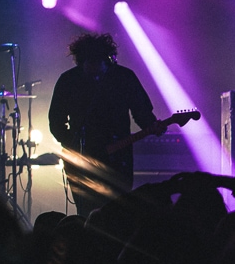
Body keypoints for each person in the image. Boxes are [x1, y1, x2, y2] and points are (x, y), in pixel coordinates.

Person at [48, 32, 165, 216]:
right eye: (90, 67)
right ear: (81, 62)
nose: (95, 75)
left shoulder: (124, 77)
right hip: (82, 160)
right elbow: (56, 120)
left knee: (119, 210)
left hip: (118, 158)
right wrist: (73, 146)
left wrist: (153, 125)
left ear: (107, 61)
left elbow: (141, 112)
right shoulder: (69, 80)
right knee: (87, 212)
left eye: (98, 67)